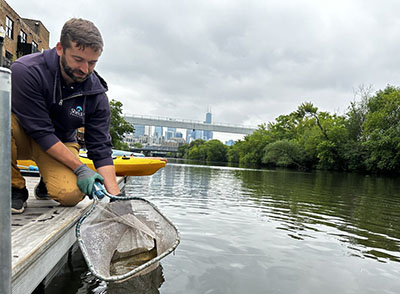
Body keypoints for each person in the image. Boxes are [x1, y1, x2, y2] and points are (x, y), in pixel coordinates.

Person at [11, 18, 120, 214]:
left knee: (70, 194)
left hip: (61, 142)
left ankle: (47, 181)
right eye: (78, 59)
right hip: (22, 136)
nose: (85, 69)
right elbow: (41, 132)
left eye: (92, 62)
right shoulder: (26, 71)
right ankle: (14, 187)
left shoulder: (97, 94)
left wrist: (116, 199)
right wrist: (80, 168)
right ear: (60, 48)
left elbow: (100, 148)